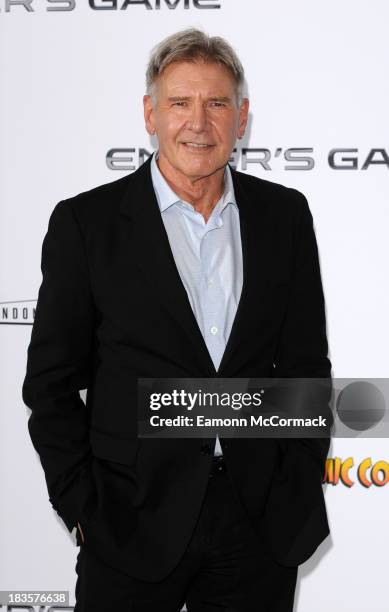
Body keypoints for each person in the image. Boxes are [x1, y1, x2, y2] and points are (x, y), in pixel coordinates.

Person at [22, 27, 332, 612]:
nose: (199, 122)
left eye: (217, 103)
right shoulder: (87, 224)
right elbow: (51, 385)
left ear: (241, 118)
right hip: (130, 519)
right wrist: (83, 509)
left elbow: (305, 368)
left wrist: (294, 486)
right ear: (150, 114)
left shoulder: (284, 215)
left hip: (257, 518)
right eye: (180, 103)